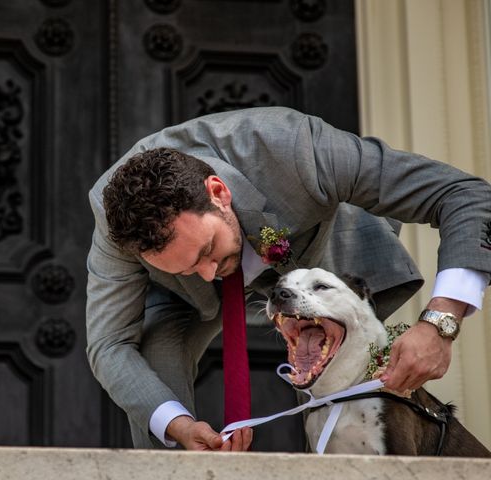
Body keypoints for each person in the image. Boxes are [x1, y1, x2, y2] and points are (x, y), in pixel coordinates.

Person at [85, 107, 491, 451]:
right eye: (189, 265)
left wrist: (442, 321)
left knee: (355, 394)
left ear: (218, 192)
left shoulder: (295, 149)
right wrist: (176, 424)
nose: (209, 272)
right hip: (183, 303)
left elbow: (463, 195)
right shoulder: (115, 222)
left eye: (207, 250)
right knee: (158, 393)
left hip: (316, 257)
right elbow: (109, 344)